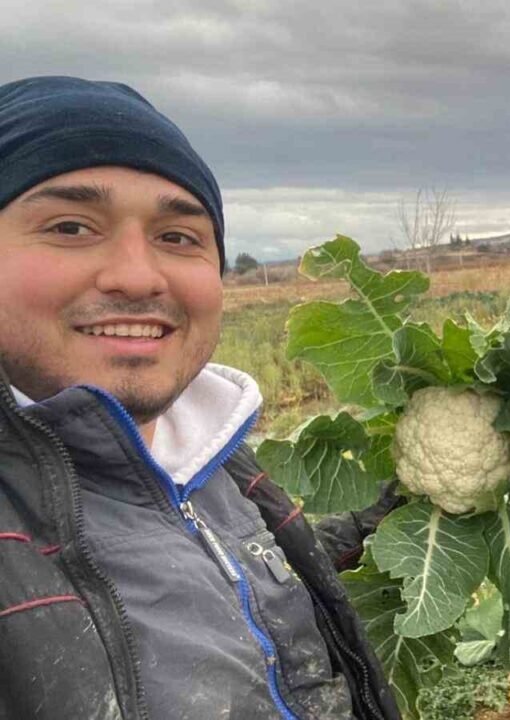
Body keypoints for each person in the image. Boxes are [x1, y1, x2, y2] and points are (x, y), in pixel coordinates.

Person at [0, 76, 399, 719]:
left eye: (178, 237)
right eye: (71, 226)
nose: (136, 275)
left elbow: (221, 590)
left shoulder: (218, 462)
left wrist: (384, 518)